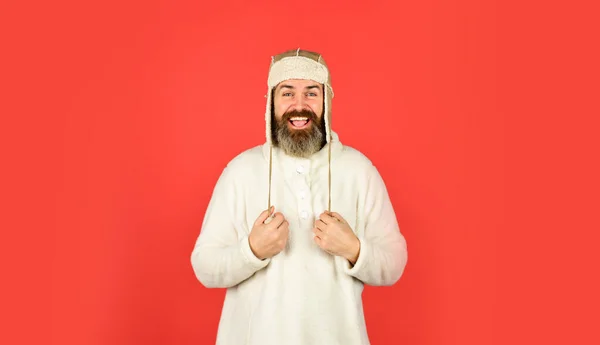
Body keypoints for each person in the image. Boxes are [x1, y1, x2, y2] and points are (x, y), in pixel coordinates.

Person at [190, 48, 408, 345]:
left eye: (311, 93)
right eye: (287, 93)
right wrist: (251, 251)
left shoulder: (359, 170)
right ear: (271, 102)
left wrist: (355, 249)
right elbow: (204, 265)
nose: (299, 105)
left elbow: (394, 261)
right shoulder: (240, 171)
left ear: (326, 101)